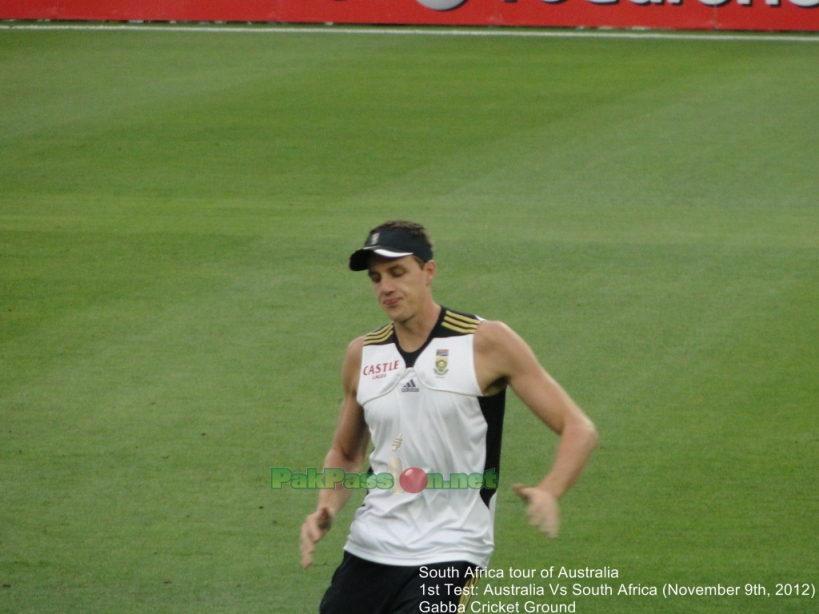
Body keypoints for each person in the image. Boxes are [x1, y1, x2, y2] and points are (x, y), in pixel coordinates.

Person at [300, 221, 598, 613]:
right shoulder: (363, 353)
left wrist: (550, 490)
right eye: (375, 278)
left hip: (451, 548)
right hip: (370, 545)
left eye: (397, 272)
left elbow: (578, 428)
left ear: (428, 272)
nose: (385, 287)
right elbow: (344, 451)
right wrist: (327, 507)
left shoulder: (485, 342)